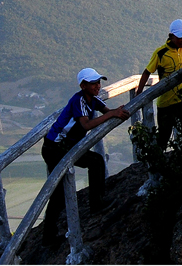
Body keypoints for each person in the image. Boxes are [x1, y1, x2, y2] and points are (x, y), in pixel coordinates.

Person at [41, 67, 130, 244]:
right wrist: (113, 113)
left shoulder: (92, 100)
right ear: (83, 85)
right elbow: (86, 125)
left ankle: (96, 205)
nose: (97, 86)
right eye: (93, 83)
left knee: (96, 162)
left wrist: (116, 112)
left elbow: (106, 111)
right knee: (58, 193)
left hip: (64, 147)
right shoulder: (79, 100)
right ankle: (49, 237)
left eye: (98, 82)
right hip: (55, 148)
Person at [135, 12, 182, 164]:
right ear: (171, 36)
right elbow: (146, 72)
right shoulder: (161, 53)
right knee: (163, 137)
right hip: (165, 103)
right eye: (180, 37)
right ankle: (157, 167)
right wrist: (139, 93)